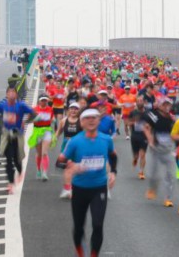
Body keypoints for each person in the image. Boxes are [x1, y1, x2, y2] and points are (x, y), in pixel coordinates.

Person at [56, 109, 117, 257]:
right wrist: (72, 166)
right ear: (82, 122)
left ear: (98, 120)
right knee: (79, 227)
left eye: (94, 117)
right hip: (80, 189)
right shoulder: (75, 141)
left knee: (97, 225)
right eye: (87, 118)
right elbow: (59, 162)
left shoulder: (106, 139)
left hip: (99, 189)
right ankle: (80, 252)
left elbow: (113, 156)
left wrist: (113, 172)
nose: (91, 120)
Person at [0, 87, 36, 194]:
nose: (11, 94)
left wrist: (27, 121)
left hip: (17, 136)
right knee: (8, 160)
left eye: (13, 92)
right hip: (7, 135)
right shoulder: (3, 105)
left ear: (16, 95)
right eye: (9, 92)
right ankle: (10, 184)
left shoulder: (21, 106)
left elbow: (33, 113)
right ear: (6, 94)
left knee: (17, 159)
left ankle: (20, 171)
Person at [143, 97, 177, 207]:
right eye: (164, 104)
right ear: (159, 105)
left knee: (171, 175)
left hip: (168, 150)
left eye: (168, 105)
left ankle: (168, 198)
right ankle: (152, 188)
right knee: (153, 174)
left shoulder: (172, 118)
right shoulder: (154, 115)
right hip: (155, 149)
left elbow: (177, 132)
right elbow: (146, 128)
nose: (167, 107)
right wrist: (150, 140)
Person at [56, 102, 82, 199]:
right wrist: (54, 140)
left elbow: (85, 134)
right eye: (71, 108)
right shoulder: (63, 121)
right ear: (68, 110)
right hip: (66, 145)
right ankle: (68, 188)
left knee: (76, 167)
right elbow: (58, 132)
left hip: (78, 145)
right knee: (68, 166)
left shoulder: (81, 121)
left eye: (75, 109)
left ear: (78, 111)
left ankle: (73, 187)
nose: (73, 111)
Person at [29, 95, 55, 181]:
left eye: (45, 100)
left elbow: (51, 119)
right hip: (37, 131)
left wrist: (53, 121)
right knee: (39, 153)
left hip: (47, 130)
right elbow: (29, 120)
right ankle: (39, 170)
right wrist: (35, 119)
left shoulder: (50, 109)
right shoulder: (34, 109)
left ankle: (44, 173)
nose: (44, 102)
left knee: (44, 153)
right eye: (42, 100)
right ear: (39, 101)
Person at [128, 95, 148, 180]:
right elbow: (128, 123)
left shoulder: (148, 112)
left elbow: (153, 123)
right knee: (136, 156)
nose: (140, 102)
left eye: (141, 101)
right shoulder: (133, 112)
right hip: (135, 136)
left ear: (144, 102)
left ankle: (141, 171)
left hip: (144, 136)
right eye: (138, 101)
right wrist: (134, 122)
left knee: (142, 155)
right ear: (136, 102)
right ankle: (135, 159)